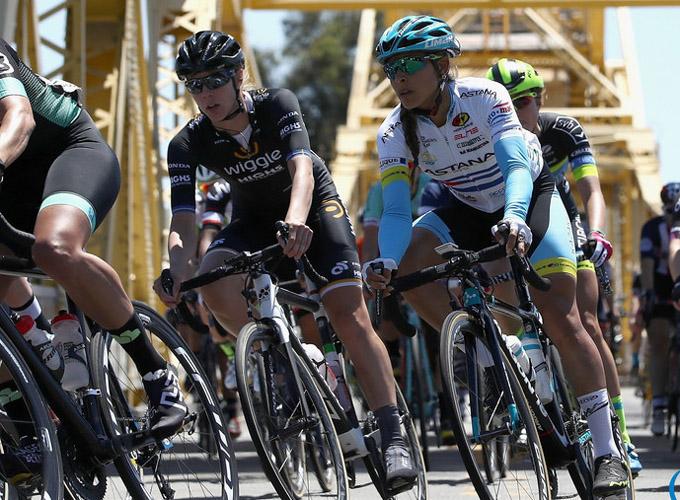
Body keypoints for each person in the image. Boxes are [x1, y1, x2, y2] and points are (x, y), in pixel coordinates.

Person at [362, 16, 628, 496]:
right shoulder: (393, 132)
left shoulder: (485, 97)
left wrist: (516, 216)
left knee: (563, 319)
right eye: (389, 69)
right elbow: (397, 211)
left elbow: (515, 165)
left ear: (443, 64)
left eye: (408, 65)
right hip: (462, 205)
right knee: (405, 265)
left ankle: (609, 451)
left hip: (526, 194)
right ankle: (489, 355)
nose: (398, 78)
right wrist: (384, 260)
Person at [152, 30, 417, 492]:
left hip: (313, 206)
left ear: (239, 76)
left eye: (215, 79)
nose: (205, 93)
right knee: (213, 280)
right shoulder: (187, 142)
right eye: (194, 84)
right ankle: (286, 352)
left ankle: (393, 434)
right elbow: (183, 220)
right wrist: (177, 271)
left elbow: (300, 169)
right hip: (253, 219)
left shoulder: (277, 103)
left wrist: (297, 220)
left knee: (349, 316)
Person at [0, 37, 187, 482]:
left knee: (54, 248)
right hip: (12, 187)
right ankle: (36, 406)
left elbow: (19, 118)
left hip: (64, 154)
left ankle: (156, 374)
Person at [485, 57, 641, 474]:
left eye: (524, 102)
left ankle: (618, 434)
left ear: (540, 99)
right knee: (513, 317)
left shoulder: (563, 129)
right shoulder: (487, 133)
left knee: (585, 321)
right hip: (513, 223)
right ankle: (538, 411)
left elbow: (592, 190)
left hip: (564, 219)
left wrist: (598, 232)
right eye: (507, 104)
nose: (517, 113)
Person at [639, 182, 680, 435]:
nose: (668, 214)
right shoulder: (652, 228)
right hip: (662, 282)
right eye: (665, 209)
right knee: (658, 337)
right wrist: (649, 293)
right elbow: (646, 263)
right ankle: (659, 406)